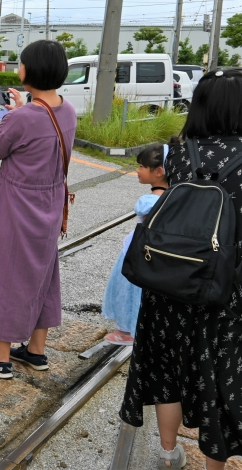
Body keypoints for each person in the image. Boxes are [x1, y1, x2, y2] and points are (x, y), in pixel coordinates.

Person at [120, 69, 242, 470]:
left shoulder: (180, 151)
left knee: (166, 369)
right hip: (226, 291)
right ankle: (215, 464)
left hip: (170, 281)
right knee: (218, 379)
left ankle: (169, 452)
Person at [0, 39, 76, 380]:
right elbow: (41, 131)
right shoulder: (66, 110)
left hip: (16, 205)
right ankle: (36, 351)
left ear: (30, 71)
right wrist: (23, 108)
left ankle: (1, 358)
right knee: (43, 272)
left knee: (6, 273)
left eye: (21, 63)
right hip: (51, 202)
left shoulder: (24, 117)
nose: (18, 68)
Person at [101, 144, 168, 346]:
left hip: (138, 248)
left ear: (158, 172)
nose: (137, 171)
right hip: (159, 250)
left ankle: (128, 330)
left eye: (141, 166)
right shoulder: (173, 195)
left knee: (128, 286)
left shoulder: (149, 200)